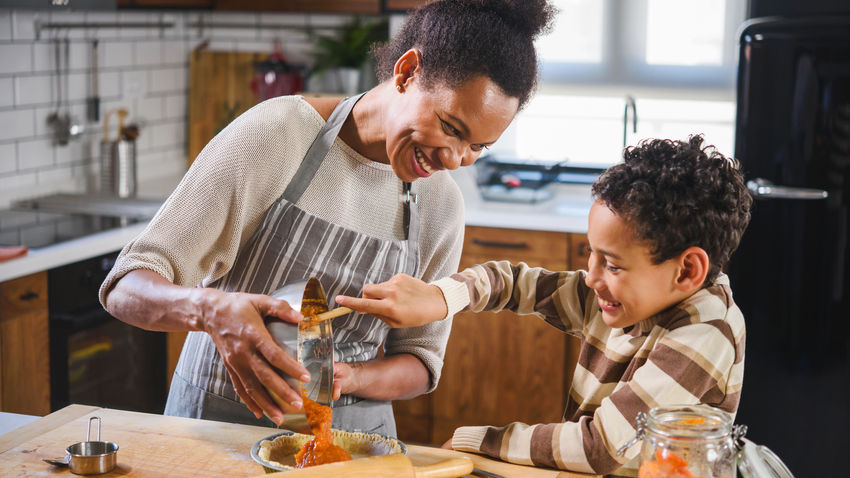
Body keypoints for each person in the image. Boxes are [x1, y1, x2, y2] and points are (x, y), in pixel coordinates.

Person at [98, 0, 556, 438]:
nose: (456, 159)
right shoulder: (279, 135)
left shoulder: (440, 204)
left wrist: (349, 378)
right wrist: (210, 309)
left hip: (354, 441)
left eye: (478, 146)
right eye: (452, 128)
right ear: (407, 71)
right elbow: (126, 288)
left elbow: (420, 361)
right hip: (216, 426)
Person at [336, 135, 753, 476]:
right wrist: (442, 298)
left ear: (687, 270)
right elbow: (514, 283)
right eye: (592, 255)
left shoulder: (705, 330)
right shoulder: (623, 297)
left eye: (612, 264)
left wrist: (480, 441)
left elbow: (600, 447)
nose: (591, 277)